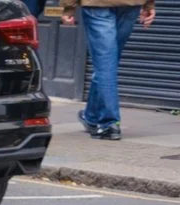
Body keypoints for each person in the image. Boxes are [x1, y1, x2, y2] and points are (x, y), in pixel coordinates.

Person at [62, 0, 156, 141]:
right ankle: (92, 116)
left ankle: (109, 123)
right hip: (130, 5)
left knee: (105, 63)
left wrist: (68, 7)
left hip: (98, 5)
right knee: (108, 62)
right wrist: (148, 4)